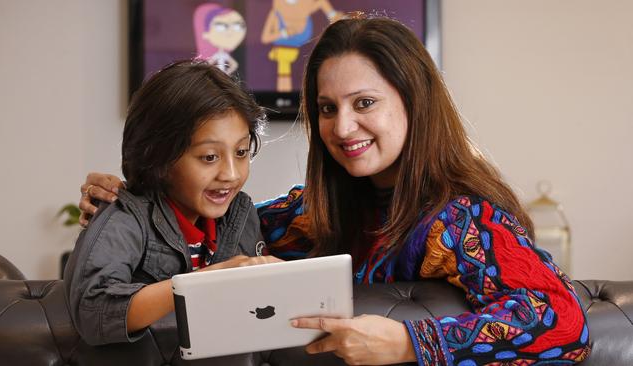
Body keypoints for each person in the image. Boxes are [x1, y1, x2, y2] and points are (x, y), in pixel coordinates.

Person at [79, 15, 590, 365]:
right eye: (327, 108)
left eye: (364, 103)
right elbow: (203, 229)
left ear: (415, 103)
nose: (343, 127)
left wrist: (410, 342)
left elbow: (562, 320)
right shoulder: (303, 213)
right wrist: (132, 204)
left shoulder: (462, 217)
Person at [64, 60, 280, 346]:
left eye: (241, 152)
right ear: (160, 157)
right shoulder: (125, 217)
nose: (230, 174)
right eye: (209, 157)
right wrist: (210, 279)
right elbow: (94, 313)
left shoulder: (241, 214)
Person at [193, 3, 246, 75]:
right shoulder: (217, 55)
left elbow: (234, 65)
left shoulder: (224, 54)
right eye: (221, 27)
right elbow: (209, 63)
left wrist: (226, 73)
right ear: (206, 34)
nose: (230, 32)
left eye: (237, 27)